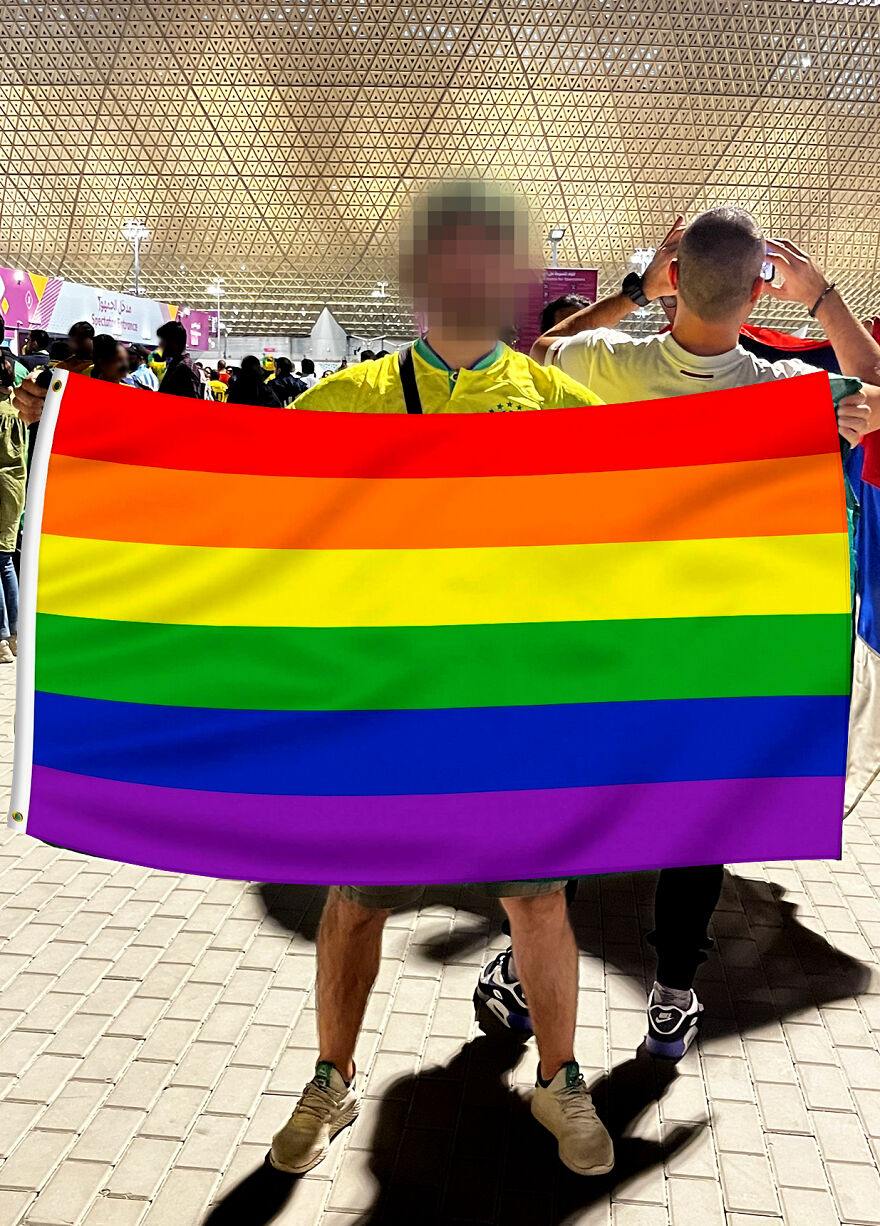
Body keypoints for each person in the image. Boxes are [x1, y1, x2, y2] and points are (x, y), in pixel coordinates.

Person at [473, 208, 880, 1063]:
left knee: (578, 807)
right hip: (715, 656)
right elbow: (875, 384)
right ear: (758, 289)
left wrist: (629, 293)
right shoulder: (784, 394)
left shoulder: (605, 364)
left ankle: (523, 967)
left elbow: (531, 354)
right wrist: (821, 297)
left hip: (604, 645)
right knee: (698, 824)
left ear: (674, 279)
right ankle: (673, 996)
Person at [279, 179, 612, 1180]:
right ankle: (332, 1078)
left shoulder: (560, 402)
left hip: (514, 711)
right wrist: (74, 428)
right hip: (391, 708)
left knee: (540, 903)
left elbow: (676, 491)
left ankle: (558, 1077)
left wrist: (818, 428)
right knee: (358, 899)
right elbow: (237, 500)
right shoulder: (348, 398)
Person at [0, 351, 27, 663]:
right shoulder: (19, 410)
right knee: (5, 563)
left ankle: (2, 639)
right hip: (15, 491)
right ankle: (17, 636)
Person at [154, 320, 206, 399]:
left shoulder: (184, 368)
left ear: (174, 342)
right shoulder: (177, 364)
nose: (160, 344)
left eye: (163, 340)